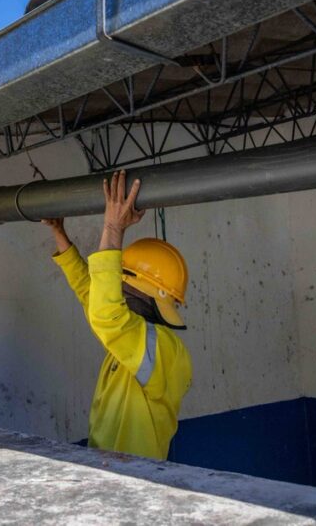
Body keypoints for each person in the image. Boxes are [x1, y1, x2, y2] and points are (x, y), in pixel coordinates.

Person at [43, 170, 192, 460]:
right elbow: (93, 294)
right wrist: (60, 235)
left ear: (141, 291)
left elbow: (105, 310)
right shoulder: (130, 344)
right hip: (109, 476)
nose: (116, 289)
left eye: (121, 282)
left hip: (136, 484)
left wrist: (113, 228)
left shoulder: (162, 349)